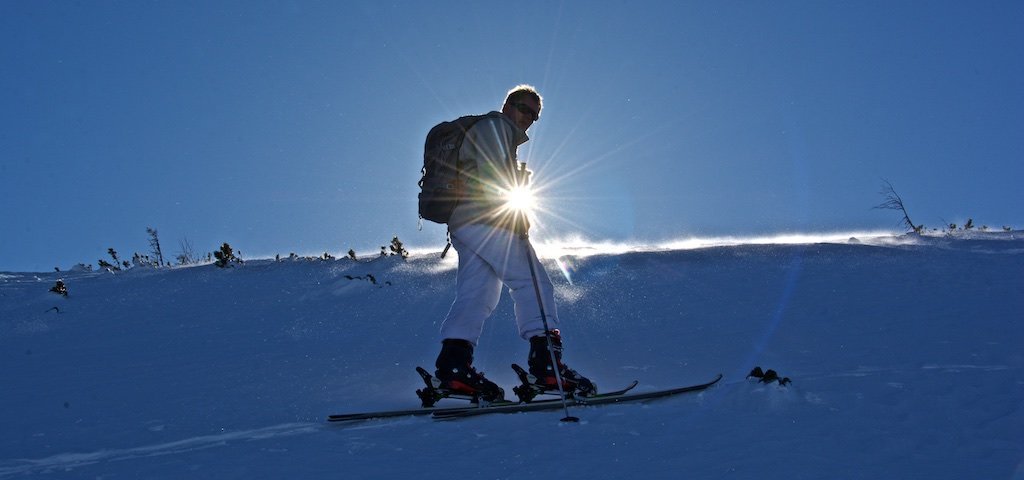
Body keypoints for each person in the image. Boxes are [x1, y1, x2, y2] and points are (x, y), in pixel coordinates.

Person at [432, 85, 595, 402]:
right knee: (532, 282)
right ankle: (547, 365)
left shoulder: (490, 129)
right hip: (488, 218)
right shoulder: (495, 127)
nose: (528, 118)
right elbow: (495, 172)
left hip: (464, 221)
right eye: (524, 108)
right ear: (508, 105)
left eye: (534, 115)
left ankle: (453, 367)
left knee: (478, 294)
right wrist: (513, 210)